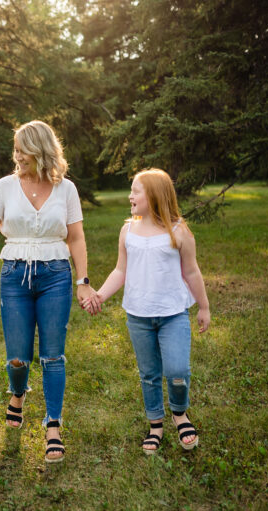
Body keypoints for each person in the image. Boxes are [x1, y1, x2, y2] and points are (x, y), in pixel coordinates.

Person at [0, 120, 100, 463]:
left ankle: (53, 426)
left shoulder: (66, 189)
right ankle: (18, 393)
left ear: (40, 150)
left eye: (22, 149)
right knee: (18, 357)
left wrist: (83, 281)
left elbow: (76, 237)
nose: (16, 155)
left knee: (53, 354)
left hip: (56, 275)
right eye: (16, 149)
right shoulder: (5, 186)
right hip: (15, 275)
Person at [83, 169, 209, 454]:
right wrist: (100, 294)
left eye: (135, 191)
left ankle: (179, 412)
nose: (130, 196)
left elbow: (191, 271)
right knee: (149, 373)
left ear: (153, 195)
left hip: (173, 314)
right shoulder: (128, 230)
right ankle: (156, 423)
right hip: (138, 316)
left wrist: (204, 306)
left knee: (178, 370)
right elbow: (120, 270)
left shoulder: (179, 232)